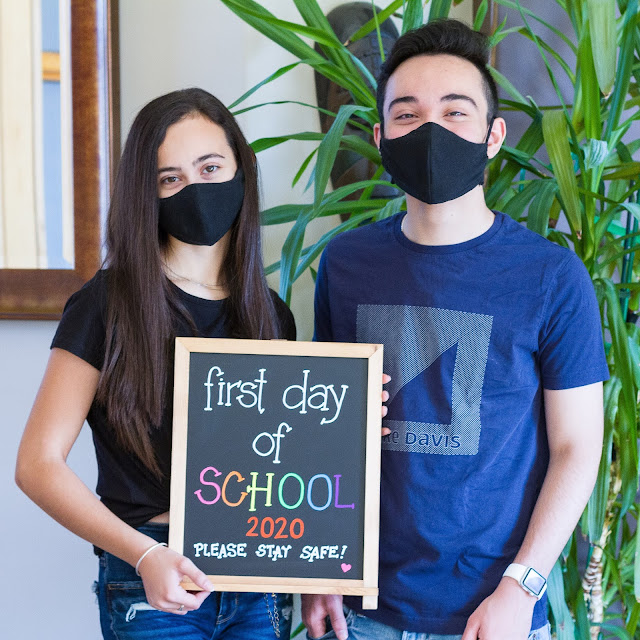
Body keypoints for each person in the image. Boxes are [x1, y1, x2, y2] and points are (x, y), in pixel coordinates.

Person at [303, 18, 607, 640]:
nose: (431, 130)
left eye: (455, 111)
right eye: (407, 115)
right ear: (381, 136)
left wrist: (522, 587)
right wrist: (317, 564)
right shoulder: (345, 264)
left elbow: (578, 446)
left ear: (493, 136)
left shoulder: (552, 276)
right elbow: (322, 429)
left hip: (496, 611)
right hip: (362, 609)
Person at [15, 88, 295, 640]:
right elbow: (37, 464)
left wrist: (353, 421)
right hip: (151, 579)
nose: (195, 189)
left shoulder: (271, 313)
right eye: (171, 178)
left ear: (242, 169)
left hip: (257, 576)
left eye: (210, 168)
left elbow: (280, 453)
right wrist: (144, 555)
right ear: (147, 194)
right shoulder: (105, 304)